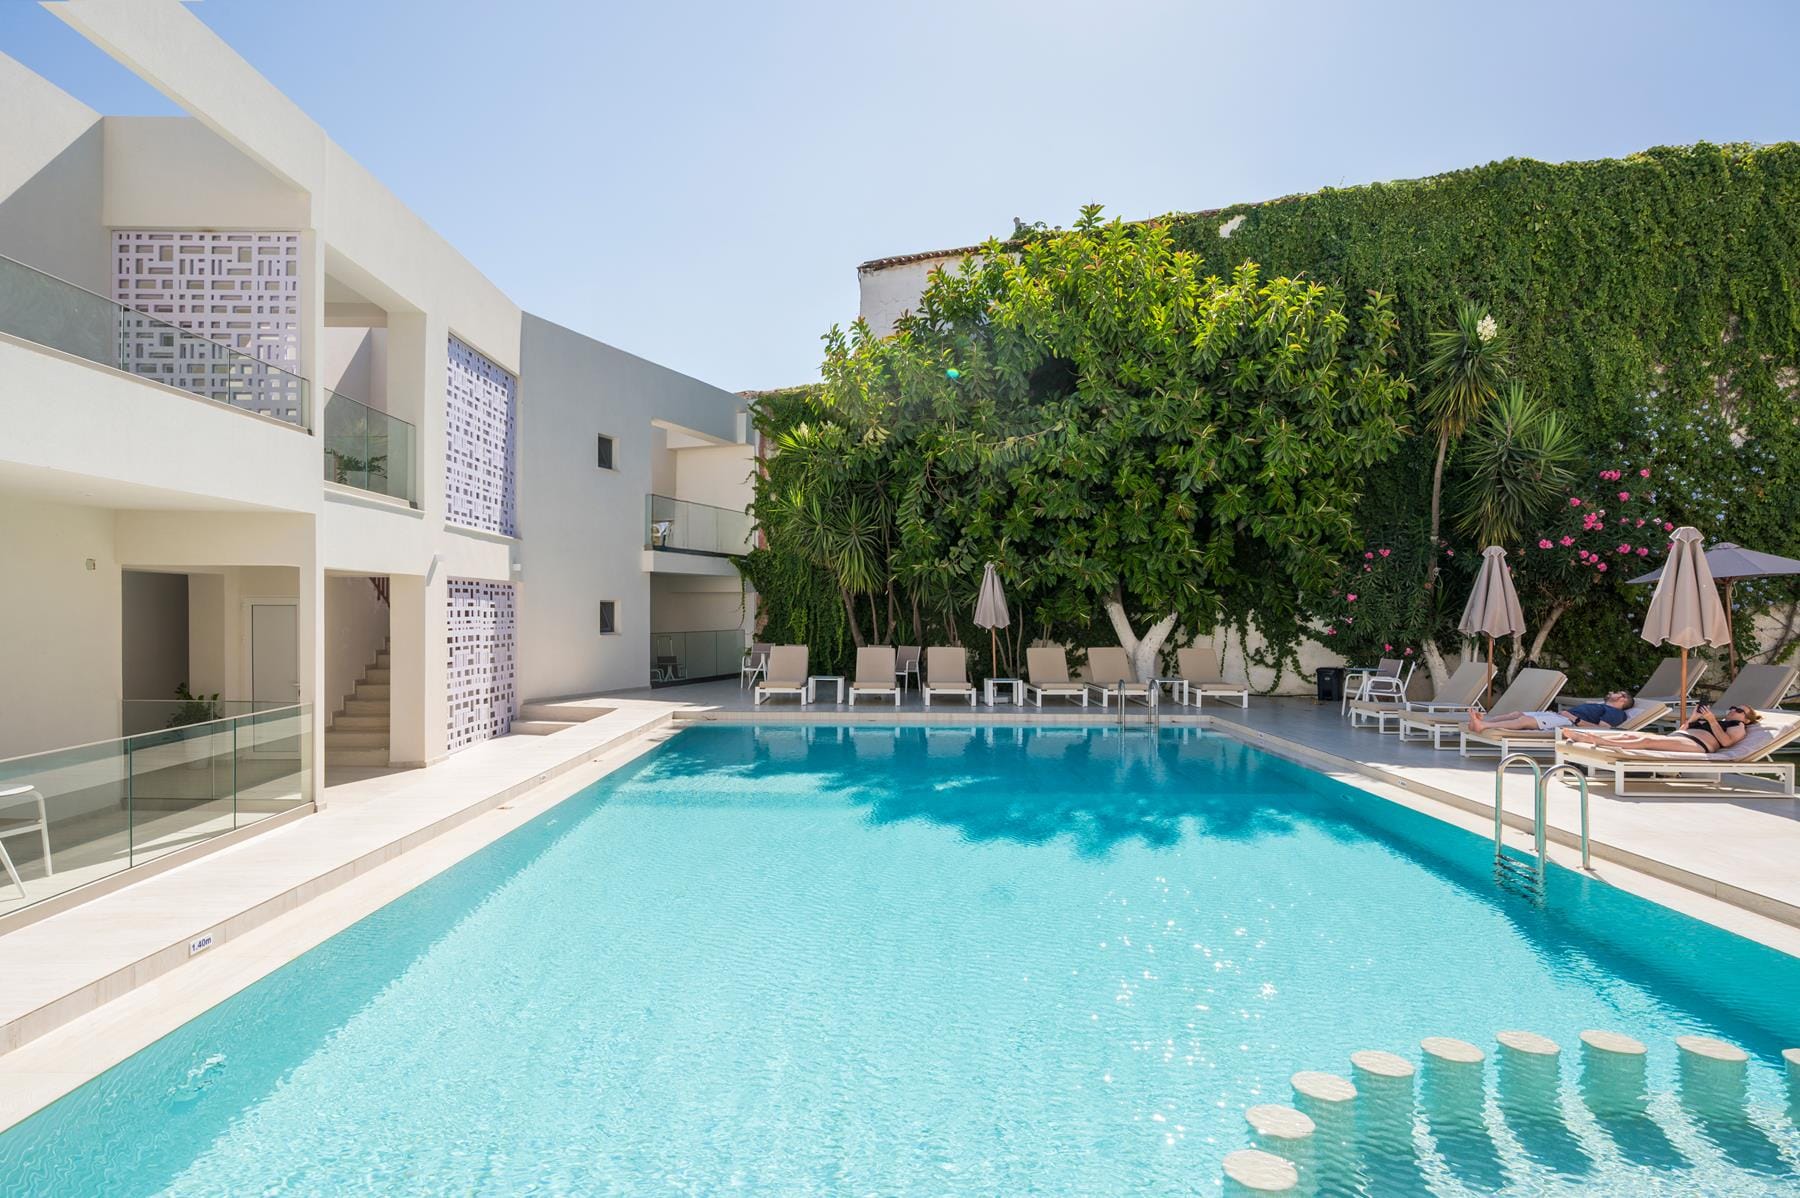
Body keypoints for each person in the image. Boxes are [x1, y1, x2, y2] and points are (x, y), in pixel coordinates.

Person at [1563, 704, 1762, 754]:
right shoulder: (1718, 720)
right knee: (1630, 734)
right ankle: (1595, 738)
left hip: (1698, 745)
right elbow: (1684, 728)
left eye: (1739, 710)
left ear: (1746, 718)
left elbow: (1726, 742)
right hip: (1683, 736)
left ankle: (1596, 740)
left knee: (1646, 742)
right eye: (1733, 707)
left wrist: (1711, 721)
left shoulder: (1738, 726)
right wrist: (1694, 719)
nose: (1733, 710)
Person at [1468, 690, 1634, 734]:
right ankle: (1486, 719)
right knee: (1518, 714)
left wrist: (1574, 719)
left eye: (1618, 692)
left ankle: (1483, 725)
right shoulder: (1602, 705)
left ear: (1623, 699)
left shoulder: (1615, 713)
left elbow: (1602, 730)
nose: (1613, 692)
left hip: (1568, 723)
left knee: (1524, 721)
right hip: (1560, 717)